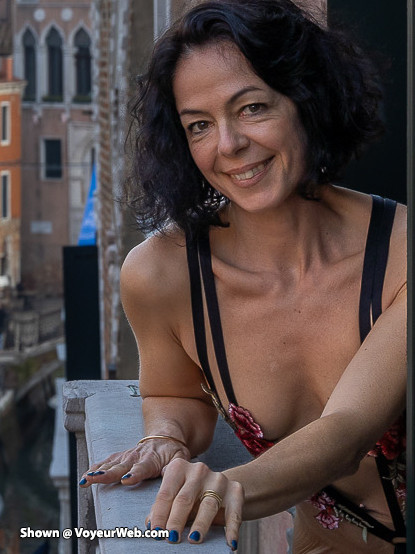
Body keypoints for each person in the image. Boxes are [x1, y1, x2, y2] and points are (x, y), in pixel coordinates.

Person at [79, 1, 407, 552]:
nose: (228, 144)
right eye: (199, 126)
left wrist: (225, 488)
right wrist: (166, 436)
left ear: (306, 99)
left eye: (252, 107)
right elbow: (174, 391)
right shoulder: (163, 275)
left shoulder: (402, 252)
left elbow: (349, 431)